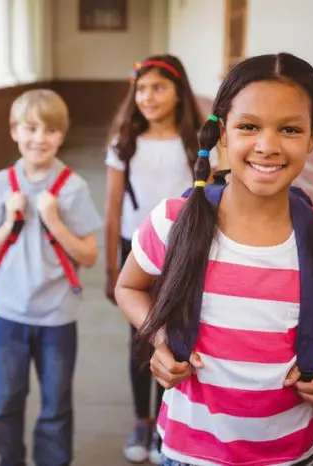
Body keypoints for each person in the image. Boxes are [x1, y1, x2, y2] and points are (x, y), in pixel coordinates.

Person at [115, 52, 313, 466]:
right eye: (249, 126)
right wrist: (160, 338)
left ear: (312, 139)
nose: (267, 146)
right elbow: (128, 287)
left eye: (289, 129)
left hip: (291, 454)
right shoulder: (172, 221)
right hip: (187, 452)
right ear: (221, 135)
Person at [0, 89, 102, 466]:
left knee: (56, 405)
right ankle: (9, 459)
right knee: (4, 402)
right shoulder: (1, 184)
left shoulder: (73, 188)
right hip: (9, 313)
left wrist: (54, 221)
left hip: (57, 315)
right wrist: (11, 220)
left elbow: (89, 255)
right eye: (30, 128)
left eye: (50, 130)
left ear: (61, 135)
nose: (39, 139)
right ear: (14, 131)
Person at [105, 54, 219, 464]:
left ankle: (167, 421)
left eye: (159, 88)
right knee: (140, 336)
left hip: (181, 254)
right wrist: (110, 268)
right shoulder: (124, 143)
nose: (147, 97)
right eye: (141, 89)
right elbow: (114, 206)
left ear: (179, 92)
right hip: (135, 255)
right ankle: (142, 418)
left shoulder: (197, 145)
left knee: (176, 335)